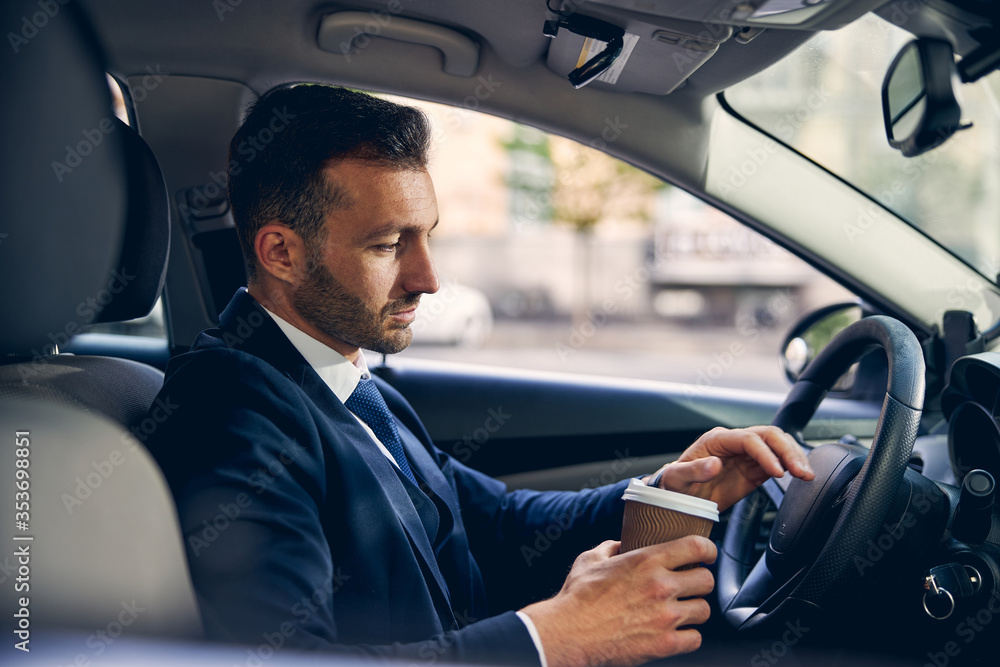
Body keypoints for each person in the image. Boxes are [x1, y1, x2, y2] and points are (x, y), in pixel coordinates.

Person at [145, 85, 814, 667]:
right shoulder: (228, 408)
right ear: (281, 252)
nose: (427, 278)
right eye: (387, 245)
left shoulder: (352, 383)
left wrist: (671, 491)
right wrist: (553, 639)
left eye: (427, 235)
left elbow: (497, 523)